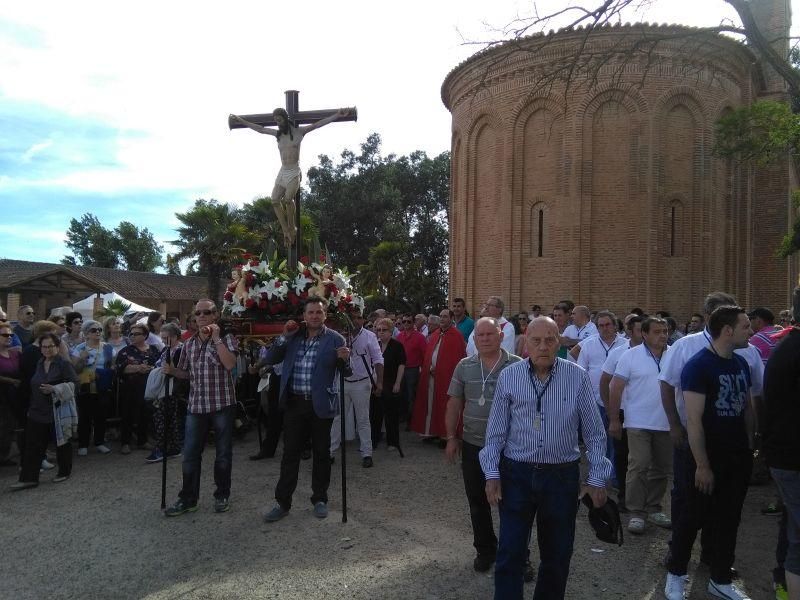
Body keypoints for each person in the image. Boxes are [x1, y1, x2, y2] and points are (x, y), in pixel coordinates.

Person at [480, 317, 612, 599]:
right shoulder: (509, 376)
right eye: (536, 340)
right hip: (516, 475)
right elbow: (495, 432)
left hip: (561, 478)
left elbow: (595, 433)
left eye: (550, 339)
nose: (543, 346)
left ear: (559, 342)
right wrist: (491, 474)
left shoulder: (577, 377)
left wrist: (598, 476)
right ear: (525, 342)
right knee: (510, 552)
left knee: (557, 555)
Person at [659, 292, 763, 586]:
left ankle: (716, 566)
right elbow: (675, 395)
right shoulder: (691, 353)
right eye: (745, 325)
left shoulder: (744, 358)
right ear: (720, 323)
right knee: (690, 508)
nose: (751, 331)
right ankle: (676, 567)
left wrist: (751, 444)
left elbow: (749, 402)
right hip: (698, 447)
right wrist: (676, 428)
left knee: (728, 514)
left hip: (734, 452)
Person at [260, 296, 350, 522]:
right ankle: (282, 502)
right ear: (304, 315)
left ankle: (320, 498)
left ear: (325, 315)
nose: (314, 316)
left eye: (319, 312)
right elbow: (270, 357)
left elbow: (346, 372)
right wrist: (283, 336)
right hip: (294, 403)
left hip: (320, 404)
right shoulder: (293, 336)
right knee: (290, 454)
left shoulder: (335, 338)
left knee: (321, 453)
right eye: (310, 312)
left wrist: (345, 360)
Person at [445, 317, 522, 573]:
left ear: (501, 336)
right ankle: (485, 550)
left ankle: (519, 558)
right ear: (474, 339)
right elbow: (454, 403)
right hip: (473, 444)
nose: (486, 339)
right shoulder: (464, 366)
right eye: (481, 335)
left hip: (511, 448)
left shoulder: (518, 366)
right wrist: (451, 438)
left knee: (513, 505)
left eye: (491, 334)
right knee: (477, 501)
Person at [230, 107, 353, 246]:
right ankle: (285, 230)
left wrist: (337, 115)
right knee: (275, 200)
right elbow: (260, 129)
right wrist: (240, 120)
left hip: (294, 171)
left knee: (288, 199)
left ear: (285, 118)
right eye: (276, 121)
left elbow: (318, 124)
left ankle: (291, 227)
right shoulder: (278, 135)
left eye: (279, 120)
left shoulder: (299, 132)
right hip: (283, 171)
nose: (278, 123)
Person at [163, 299, 238, 516]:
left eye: (207, 312)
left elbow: (230, 364)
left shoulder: (227, 338)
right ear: (194, 317)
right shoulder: (188, 344)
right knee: (190, 454)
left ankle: (222, 494)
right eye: (199, 313)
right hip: (196, 405)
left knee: (223, 455)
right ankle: (188, 498)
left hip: (222, 404)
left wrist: (216, 339)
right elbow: (186, 373)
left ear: (215, 315)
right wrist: (172, 371)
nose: (202, 316)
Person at [608, 317, 672, 534]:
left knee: (661, 468)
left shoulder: (674, 354)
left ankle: (653, 507)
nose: (662, 335)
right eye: (657, 331)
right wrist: (615, 419)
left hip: (666, 423)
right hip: (637, 422)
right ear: (644, 334)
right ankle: (636, 512)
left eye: (665, 331)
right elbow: (615, 388)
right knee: (639, 465)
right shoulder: (630, 356)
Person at [762, 287, 800, 600]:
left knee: (794, 525)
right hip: (792, 457)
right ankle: (785, 586)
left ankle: (782, 582)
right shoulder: (793, 349)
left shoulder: (787, 347)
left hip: (785, 455)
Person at [11, 332, 78, 489]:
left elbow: (75, 384)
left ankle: (64, 471)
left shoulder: (63, 364)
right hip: (36, 411)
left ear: (57, 347)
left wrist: (55, 389)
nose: (47, 349)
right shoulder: (39, 363)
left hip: (57, 411)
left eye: (51, 346)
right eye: (44, 346)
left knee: (62, 442)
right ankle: (29, 478)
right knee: (32, 445)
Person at [600, 314, 644, 511]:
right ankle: (625, 496)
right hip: (624, 411)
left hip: (648, 414)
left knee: (646, 461)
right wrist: (612, 412)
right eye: (640, 330)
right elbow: (605, 382)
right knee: (623, 455)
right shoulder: (619, 353)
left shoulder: (663, 353)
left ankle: (649, 500)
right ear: (629, 331)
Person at [330, 308, 383, 468]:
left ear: (364, 320)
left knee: (363, 419)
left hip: (362, 382)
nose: (356, 321)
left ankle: (367, 453)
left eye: (359, 318)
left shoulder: (370, 336)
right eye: (352, 317)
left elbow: (378, 359)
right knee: (337, 418)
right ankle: (330, 452)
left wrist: (379, 382)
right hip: (342, 382)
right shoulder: (338, 335)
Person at [411, 309, 466, 440]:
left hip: (447, 378)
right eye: (441, 316)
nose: (442, 319)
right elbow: (428, 355)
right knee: (430, 404)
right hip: (431, 377)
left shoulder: (457, 336)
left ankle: (446, 435)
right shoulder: (435, 334)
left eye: (445, 317)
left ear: (451, 319)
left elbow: (457, 359)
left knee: (444, 406)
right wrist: (429, 367)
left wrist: (442, 370)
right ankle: (431, 432)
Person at [116, 323, 160, 454]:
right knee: (127, 415)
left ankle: (143, 440)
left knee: (145, 414)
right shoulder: (125, 351)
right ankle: (125, 442)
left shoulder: (153, 349)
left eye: (136, 334)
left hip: (148, 388)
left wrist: (150, 368)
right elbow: (120, 368)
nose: (132, 336)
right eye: (131, 334)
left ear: (145, 335)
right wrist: (138, 368)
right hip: (130, 388)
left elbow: (159, 364)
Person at [146, 323, 185, 463]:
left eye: (165, 337)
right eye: (161, 337)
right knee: (168, 419)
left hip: (170, 389)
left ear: (174, 336)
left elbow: (174, 369)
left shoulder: (180, 350)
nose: (162, 340)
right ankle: (174, 447)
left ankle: (161, 449)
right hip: (164, 387)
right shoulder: (167, 349)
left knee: (162, 419)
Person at [71, 320, 112, 456]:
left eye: (99, 329)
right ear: (86, 334)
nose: (98, 332)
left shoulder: (107, 347)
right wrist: (82, 359)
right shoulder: (80, 349)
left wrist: (103, 374)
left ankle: (99, 442)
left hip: (102, 386)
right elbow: (75, 370)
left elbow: (113, 367)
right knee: (85, 416)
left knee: (101, 415)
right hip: (85, 386)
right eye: (94, 330)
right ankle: (83, 444)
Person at [370, 317, 406, 452]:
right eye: (378, 330)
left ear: (391, 331)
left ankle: (393, 441)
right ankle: (374, 439)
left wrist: (398, 383)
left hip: (391, 382)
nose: (381, 332)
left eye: (384, 330)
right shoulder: (375, 345)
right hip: (376, 383)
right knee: (375, 413)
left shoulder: (397, 346)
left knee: (391, 414)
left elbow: (401, 365)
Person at [397, 313, 427, 421]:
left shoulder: (420, 337)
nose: (406, 324)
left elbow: (425, 354)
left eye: (408, 321)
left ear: (413, 323)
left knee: (411, 395)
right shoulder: (399, 336)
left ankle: (412, 419)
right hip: (401, 369)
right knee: (401, 394)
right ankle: (403, 416)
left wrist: (423, 369)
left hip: (413, 370)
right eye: (404, 321)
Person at [0, 321, 21, 466]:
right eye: (5, 335)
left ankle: (8, 454)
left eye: (11, 335)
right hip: (2, 394)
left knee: (12, 424)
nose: (9, 337)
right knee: (5, 423)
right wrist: (10, 380)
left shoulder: (15, 354)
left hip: (15, 395)